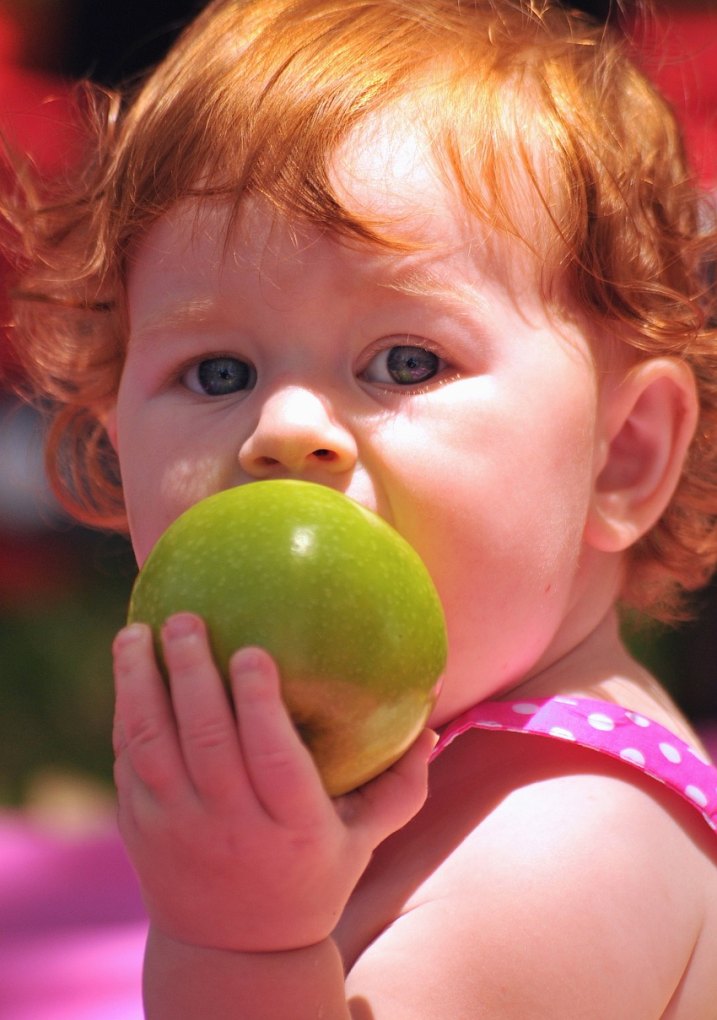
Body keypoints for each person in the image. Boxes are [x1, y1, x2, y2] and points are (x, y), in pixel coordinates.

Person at [5, 0, 717, 1016]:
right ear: (116, 445)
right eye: (217, 371)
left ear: (623, 454)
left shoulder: (561, 853)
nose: (287, 429)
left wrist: (238, 947)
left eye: (406, 361)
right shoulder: (473, 785)